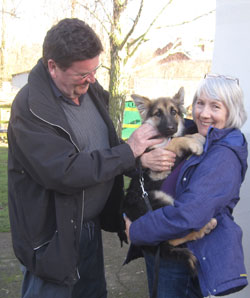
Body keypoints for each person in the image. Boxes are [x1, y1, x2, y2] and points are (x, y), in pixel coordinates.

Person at [7, 18, 176, 298]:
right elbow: (64, 171)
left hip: (88, 229)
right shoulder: (30, 108)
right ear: (52, 67)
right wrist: (129, 151)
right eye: (82, 73)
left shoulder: (90, 90)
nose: (92, 78)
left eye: (95, 69)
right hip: (53, 237)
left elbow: (103, 148)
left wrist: (138, 160)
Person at [125, 73, 248, 298]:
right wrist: (141, 159)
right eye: (200, 103)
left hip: (179, 253)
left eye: (215, 106)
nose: (204, 113)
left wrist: (136, 230)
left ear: (231, 111)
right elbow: (134, 159)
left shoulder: (223, 156)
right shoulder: (196, 132)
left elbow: (189, 214)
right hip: (158, 240)